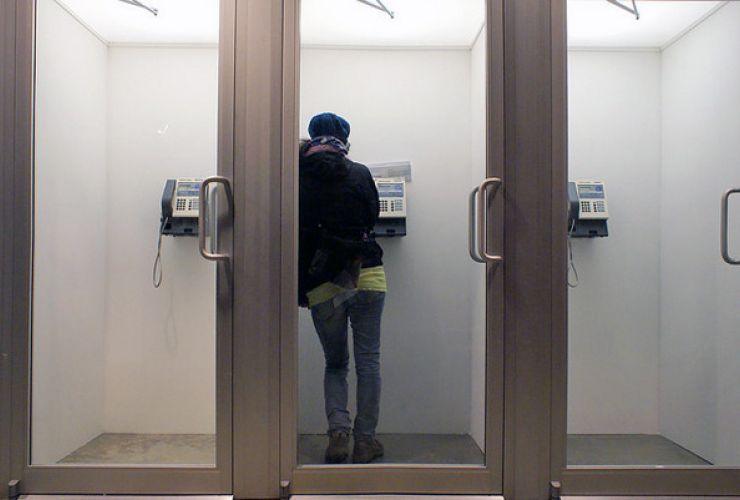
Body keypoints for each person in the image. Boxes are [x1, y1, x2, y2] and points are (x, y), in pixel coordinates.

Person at [298, 112, 387, 464]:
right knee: (369, 363)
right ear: (344, 141)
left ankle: (338, 435)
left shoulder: (297, 176)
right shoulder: (360, 172)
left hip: (323, 282)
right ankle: (365, 442)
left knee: (335, 364)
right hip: (367, 274)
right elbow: (372, 216)